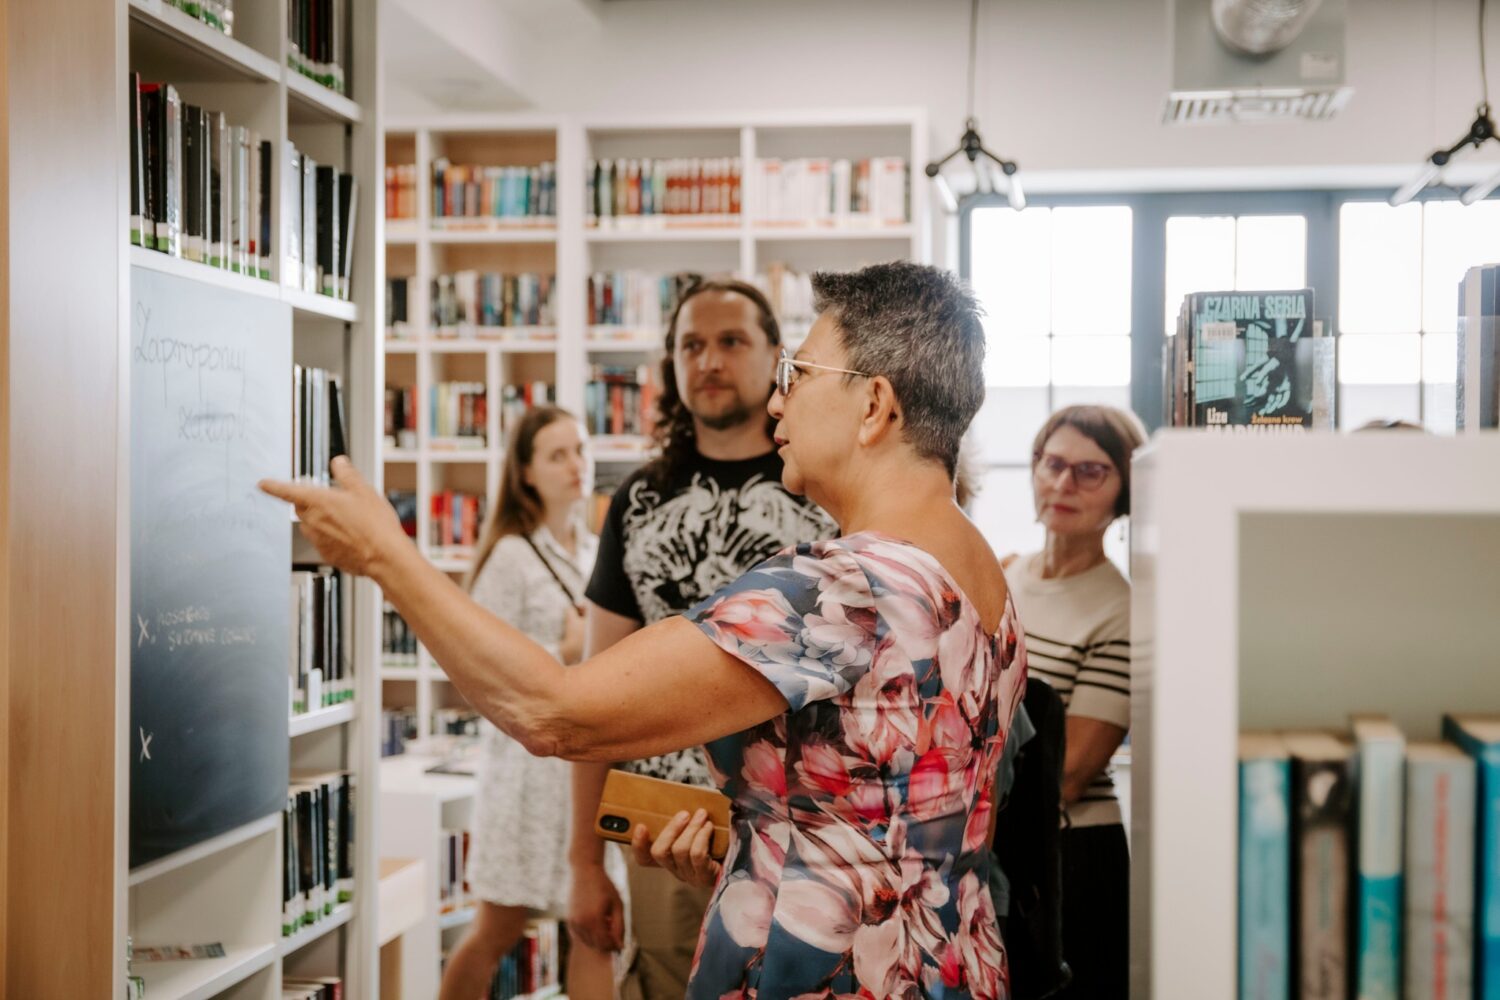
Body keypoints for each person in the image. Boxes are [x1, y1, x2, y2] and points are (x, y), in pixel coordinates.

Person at [262, 260, 1029, 999]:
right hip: (946, 961)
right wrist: (755, 841)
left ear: (875, 407)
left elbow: (553, 712)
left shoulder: (844, 585)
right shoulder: (980, 570)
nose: (777, 402)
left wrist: (385, 556)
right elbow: (892, 806)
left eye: (797, 375)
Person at [568, 278, 835, 1000]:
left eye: (730, 341)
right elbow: (595, 693)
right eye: (691, 345)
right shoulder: (637, 500)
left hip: (806, 829)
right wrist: (583, 864)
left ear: (777, 357)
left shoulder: (821, 485)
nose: (709, 361)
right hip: (661, 825)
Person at [436, 406, 623, 1000]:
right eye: (557, 455)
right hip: (526, 777)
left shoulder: (594, 550)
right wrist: (562, 650)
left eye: (580, 449)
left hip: (585, 768)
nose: (576, 465)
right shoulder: (511, 556)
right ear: (525, 473)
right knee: (497, 928)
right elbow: (476, 662)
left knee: (595, 931)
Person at [1002, 404, 1146, 1000]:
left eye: (1091, 471)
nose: (1064, 483)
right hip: (995, 842)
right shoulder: (1003, 573)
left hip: (1071, 855)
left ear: (1124, 490)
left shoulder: (1123, 610)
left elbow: (1067, 775)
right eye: (1053, 463)